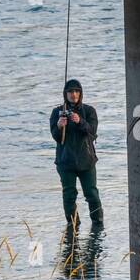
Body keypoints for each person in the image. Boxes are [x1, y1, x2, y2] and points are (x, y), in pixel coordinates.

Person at [50, 78, 103, 229]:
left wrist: (80, 121)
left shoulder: (89, 111)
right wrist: (59, 126)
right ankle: (73, 225)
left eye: (76, 91)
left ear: (80, 93)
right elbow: (56, 137)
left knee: (91, 194)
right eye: (70, 91)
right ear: (65, 94)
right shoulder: (57, 113)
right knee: (69, 195)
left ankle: (98, 224)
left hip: (86, 161)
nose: (74, 94)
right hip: (65, 162)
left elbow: (92, 133)